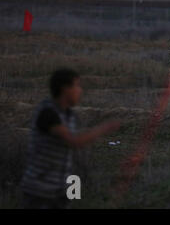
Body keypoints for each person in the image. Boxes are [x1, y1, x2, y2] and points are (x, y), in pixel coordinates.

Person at [21, 68, 120, 209]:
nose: (80, 90)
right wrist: (104, 129)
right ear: (65, 88)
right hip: (39, 192)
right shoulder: (48, 113)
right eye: (77, 85)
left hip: (59, 191)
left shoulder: (69, 115)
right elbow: (74, 142)